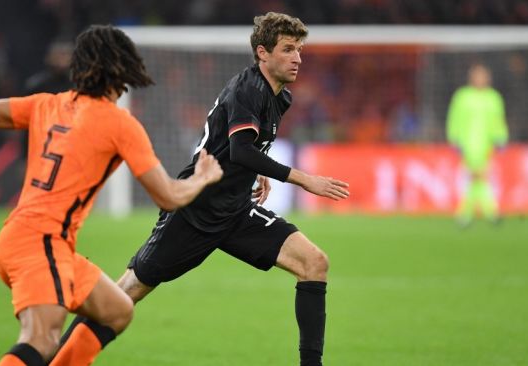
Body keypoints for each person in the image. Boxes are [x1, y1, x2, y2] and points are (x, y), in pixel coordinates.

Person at [0, 24, 223, 366]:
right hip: (40, 244)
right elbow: (169, 197)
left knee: (117, 310)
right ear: (122, 67)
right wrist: (202, 178)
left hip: (28, 239)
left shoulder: (48, 104)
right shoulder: (120, 124)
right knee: (40, 341)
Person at [56, 12, 349, 366]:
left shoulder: (278, 96)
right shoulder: (247, 89)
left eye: (299, 50)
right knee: (124, 295)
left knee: (314, 262)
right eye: (288, 49)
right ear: (262, 53)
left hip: (237, 211)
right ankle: (59, 360)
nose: (298, 58)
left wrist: (258, 173)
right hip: (195, 209)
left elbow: (241, 147)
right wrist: (304, 178)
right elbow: (241, 149)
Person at [447, 63, 509, 226]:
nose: (480, 79)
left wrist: (501, 137)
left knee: (481, 177)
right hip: (467, 144)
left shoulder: (493, 97)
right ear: (471, 77)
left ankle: (470, 213)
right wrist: (454, 138)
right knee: (475, 177)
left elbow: (499, 120)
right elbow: (454, 118)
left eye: (483, 76)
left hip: (486, 145)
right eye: (477, 75)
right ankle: (486, 212)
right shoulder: (462, 96)